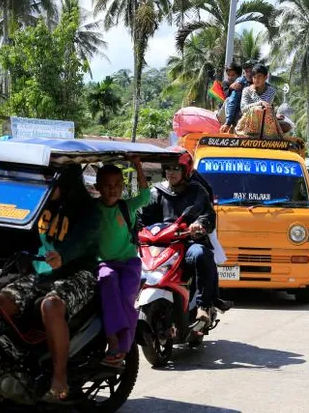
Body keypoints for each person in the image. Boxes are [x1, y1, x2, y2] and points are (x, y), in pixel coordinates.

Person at [0, 165, 100, 401]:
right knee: (0, 301)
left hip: (78, 272)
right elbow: (10, 230)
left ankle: (59, 378)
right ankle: (17, 360)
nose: (44, 183)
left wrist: (64, 254)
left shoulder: (88, 209)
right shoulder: (35, 204)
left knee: (51, 306)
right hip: (41, 272)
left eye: (50, 178)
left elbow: (84, 239)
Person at [140, 151, 232, 322]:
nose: (171, 172)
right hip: (160, 246)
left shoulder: (197, 192)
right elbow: (141, 215)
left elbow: (207, 216)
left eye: (176, 168)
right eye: (168, 168)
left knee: (201, 254)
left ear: (186, 170)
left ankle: (202, 305)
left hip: (187, 243)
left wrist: (200, 225)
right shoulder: (156, 192)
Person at [94, 158, 149, 367]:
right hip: (103, 264)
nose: (112, 190)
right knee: (107, 280)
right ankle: (112, 339)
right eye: (107, 185)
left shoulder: (127, 206)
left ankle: (123, 348)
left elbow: (144, 195)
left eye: (117, 185)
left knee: (127, 296)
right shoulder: (92, 209)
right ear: (97, 187)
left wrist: (138, 165)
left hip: (129, 263)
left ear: (122, 187)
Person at [236, 63, 285, 139]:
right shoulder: (246, 90)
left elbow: (265, 106)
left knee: (264, 110)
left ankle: (269, 137)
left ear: (265, 77)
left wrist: (255, 95)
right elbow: (243, 109)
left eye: (259, 76)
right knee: (256, 109)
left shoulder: (271, 91)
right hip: (248, 122)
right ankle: (251, 136)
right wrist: (258, 101)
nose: (256, 80)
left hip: (264, 121)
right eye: (254, 77)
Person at [220, 60, 255, 133]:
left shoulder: (251, 84)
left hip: (240, 110)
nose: (230, 77)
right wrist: (231, 88)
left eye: (233, 75)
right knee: (229, 99)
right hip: (227, 109)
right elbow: (227, 96)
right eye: (228, 75)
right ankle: (230, 123)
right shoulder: (228, 83)